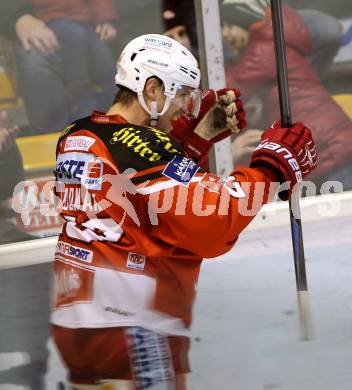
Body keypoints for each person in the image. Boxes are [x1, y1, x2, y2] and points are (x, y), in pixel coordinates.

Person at [51, 34, 316, 389]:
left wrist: (198, 139)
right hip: (132, 322)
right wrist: (271, 169)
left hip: (78, 318)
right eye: (180, 95)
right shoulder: (143, 145)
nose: (184, 109)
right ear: (153, 89)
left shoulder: (76, 133)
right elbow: (210, 222)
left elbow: (148, 203)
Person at [221, 0, 352, 189]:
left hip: (330, 146)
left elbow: (226, 91)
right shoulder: (274, 46)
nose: (225, 34)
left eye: (230, 26)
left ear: (246, 23)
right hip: (331, 144)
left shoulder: (262, 52)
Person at [0, 0, 118, 135]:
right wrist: (18, 17)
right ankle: (81, 112)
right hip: (47, 20)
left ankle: (121, 117)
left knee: (104, 59)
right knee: (46, 60)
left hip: (88, 22)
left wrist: (106, 19)